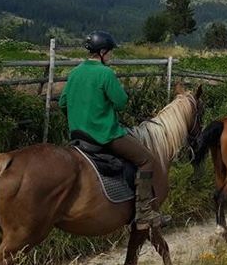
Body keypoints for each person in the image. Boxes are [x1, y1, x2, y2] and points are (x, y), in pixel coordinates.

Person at [59, 31, 167, 230]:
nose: (110, 56)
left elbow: (63, 103)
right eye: (109, 53)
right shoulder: (105, 73)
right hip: (104, 135)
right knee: (146, 160)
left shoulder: (74, 73)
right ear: (101, 52)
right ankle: (144, 212)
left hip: (77, 136)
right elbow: (121, 102)